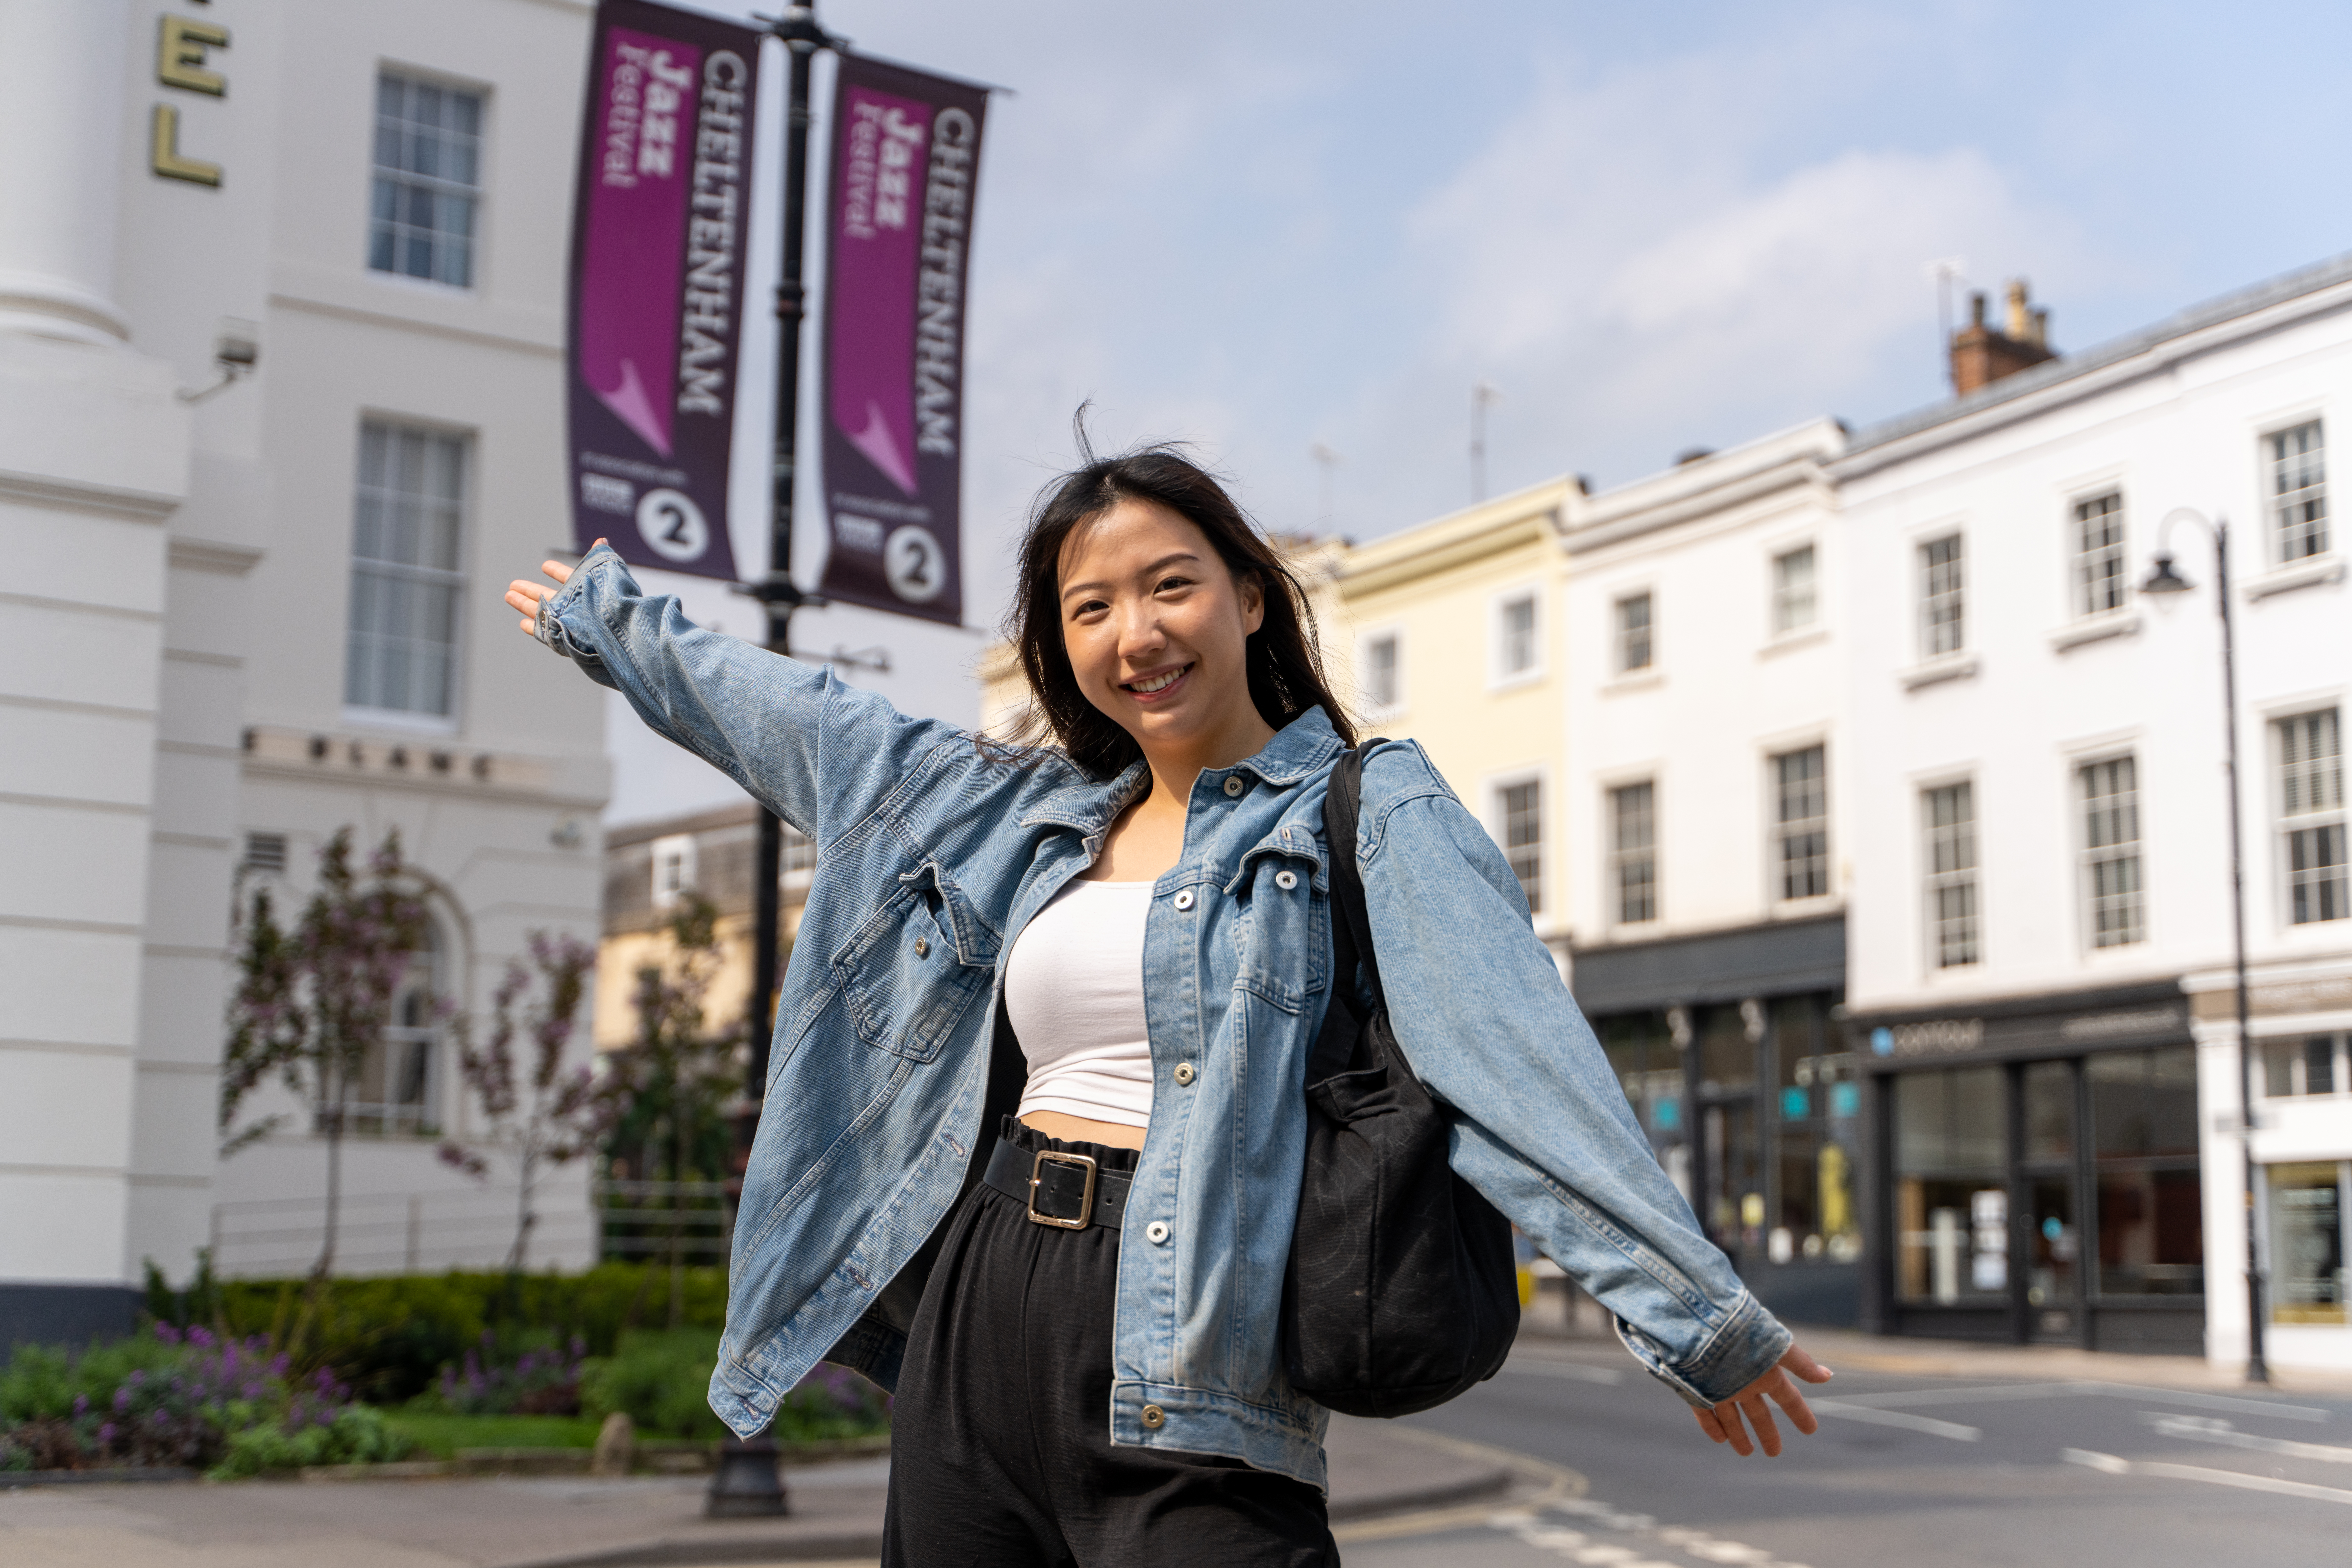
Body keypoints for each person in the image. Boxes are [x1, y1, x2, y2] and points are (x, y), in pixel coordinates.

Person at [506, 443, 1830, 1567]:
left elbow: (1512, 1063)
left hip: (1191, 1357)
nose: (1133, 634)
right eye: (1090, 609)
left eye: (1169, 586)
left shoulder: (1366, 815)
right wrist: (619, 628)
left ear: (1251, 598)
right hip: (979, 1319)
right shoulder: (1019, 819)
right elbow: (823, 729)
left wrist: (1691, 1312)